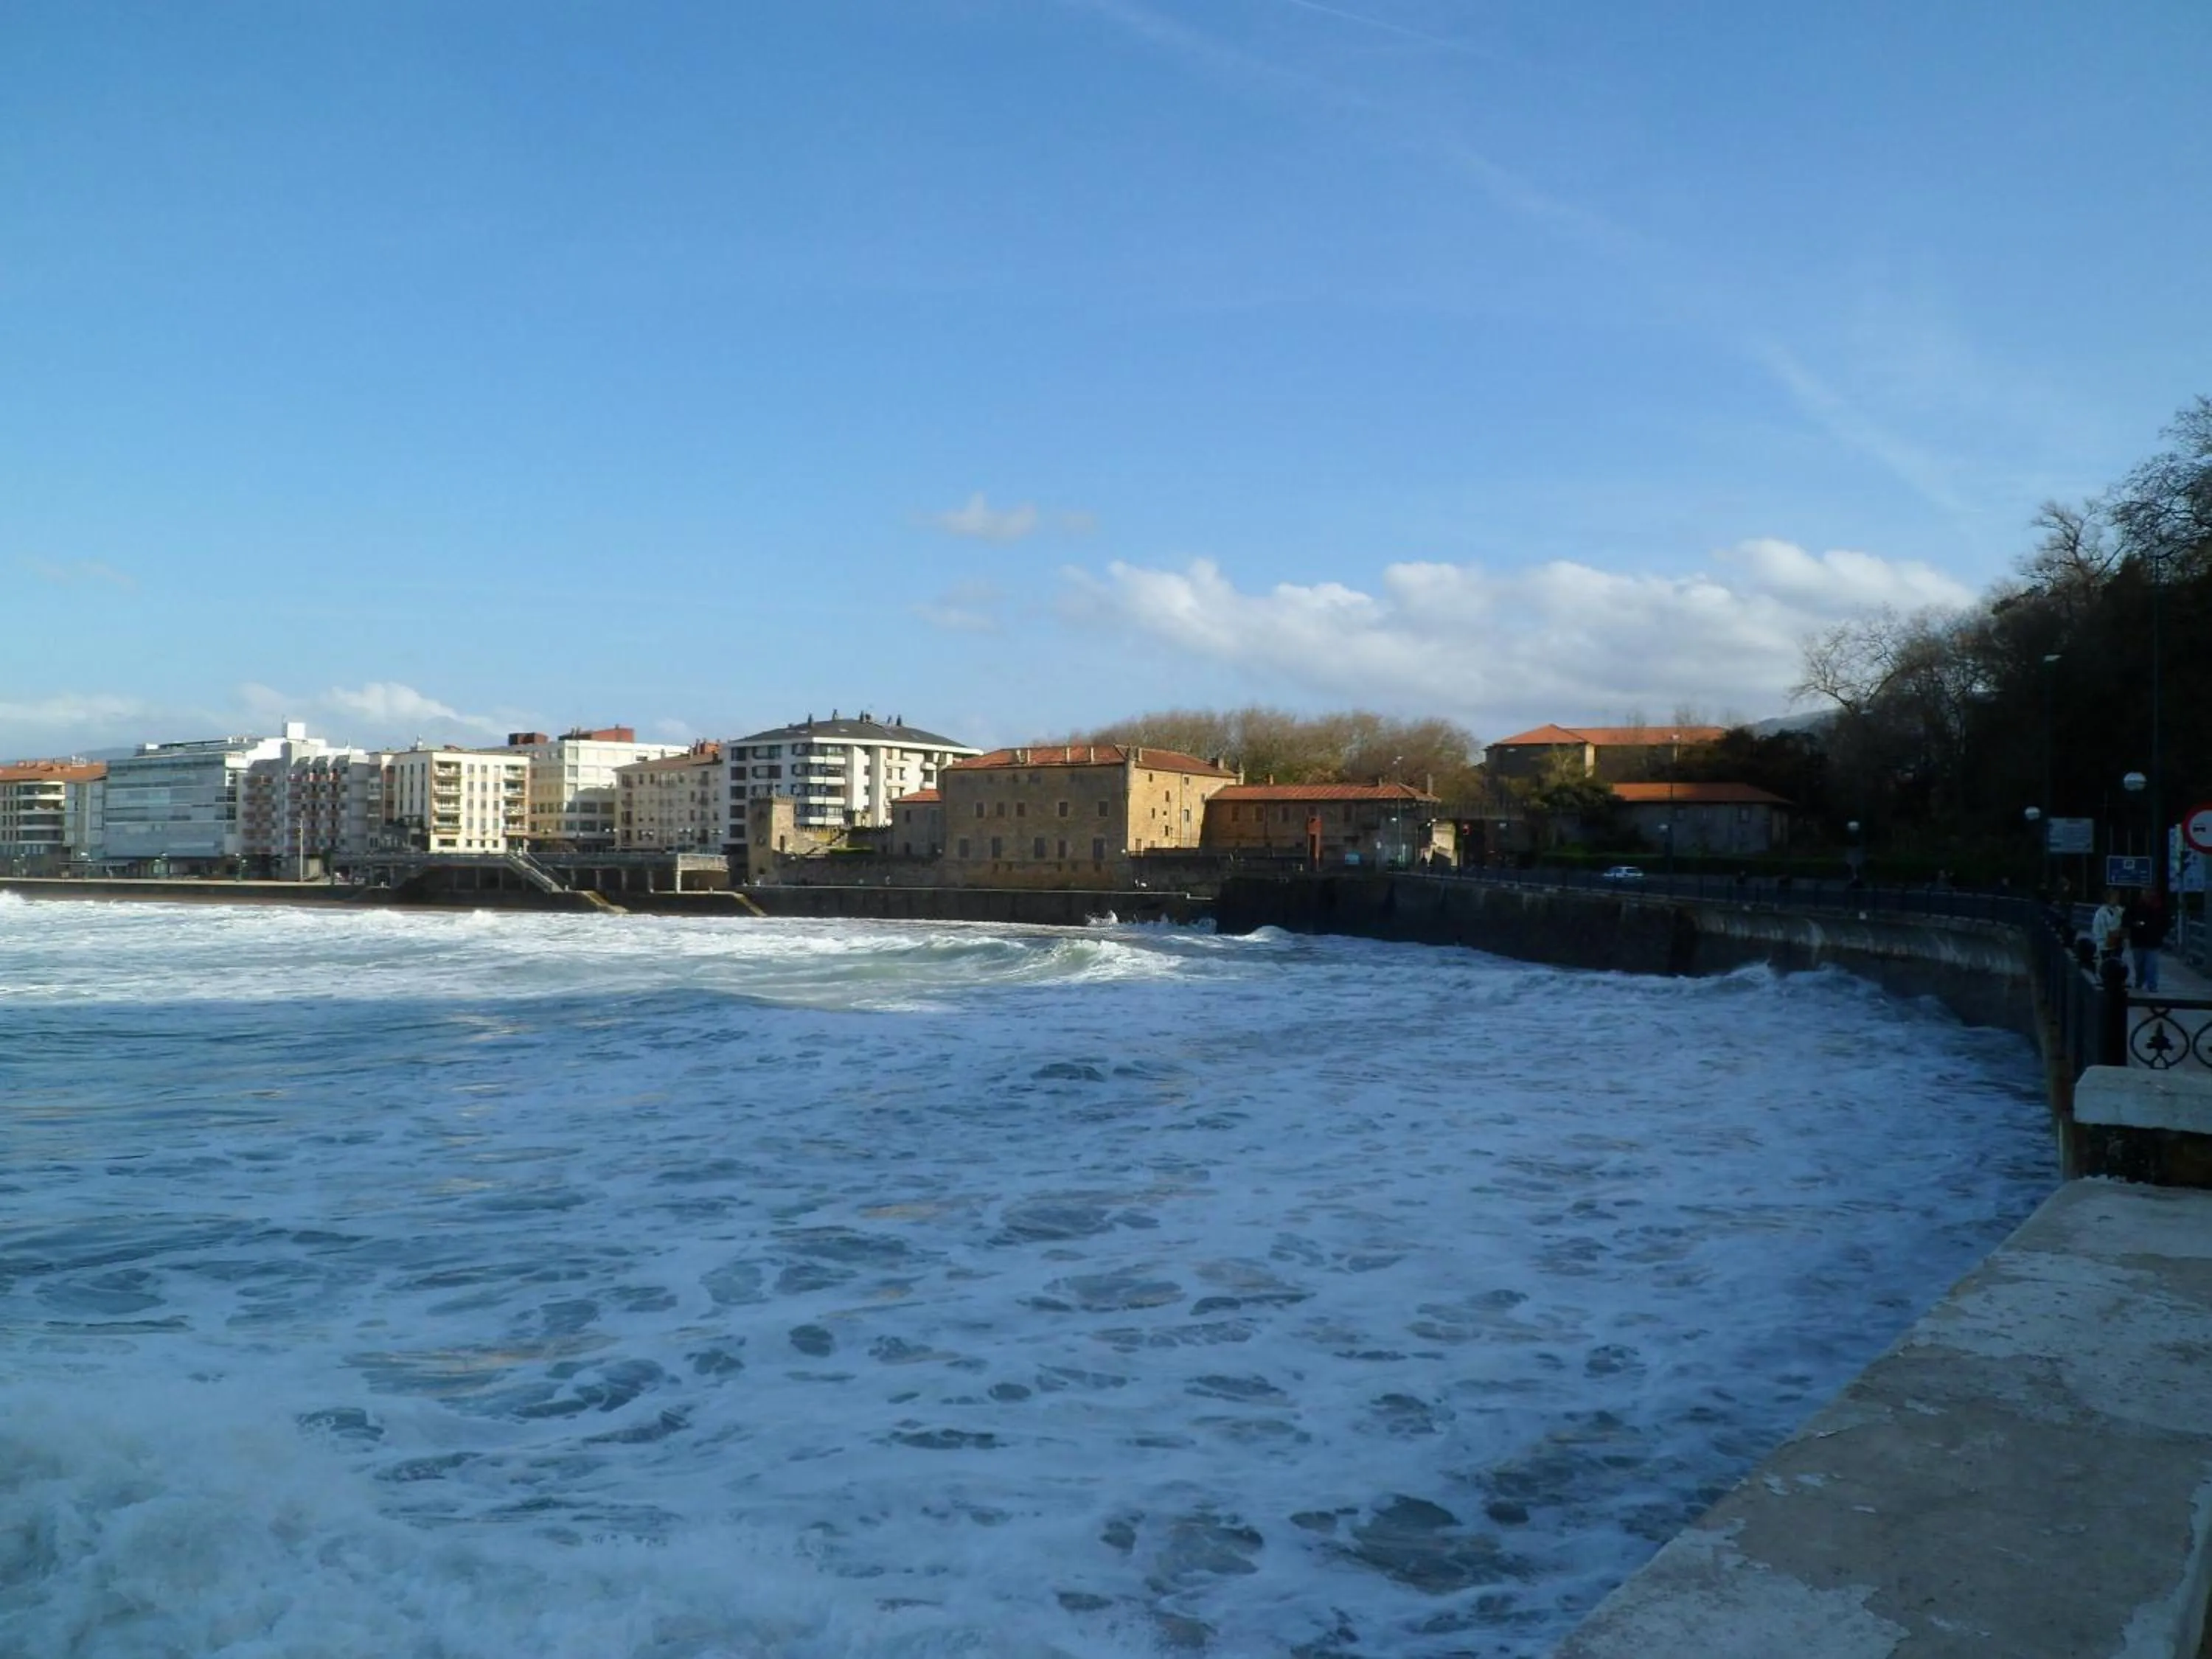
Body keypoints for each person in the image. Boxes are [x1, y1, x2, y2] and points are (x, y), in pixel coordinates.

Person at [2127, 888, 2168, 993]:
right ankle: (2139, 981)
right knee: (2139, 964)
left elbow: (2166, 922)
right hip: (2138, 940)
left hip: (2154, 941)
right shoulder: (2135, 906)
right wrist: (2134, 924)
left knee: (2151, 965)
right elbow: (2127, 919)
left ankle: (2152, 985)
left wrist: (2161, 932)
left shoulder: (2160, 907)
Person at [2091, 888, 2129, 981]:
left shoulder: (2120, 910)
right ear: (2108, 898)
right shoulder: (2101, 912)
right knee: (2106, 963)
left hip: (2118, 943)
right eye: (2114, 897)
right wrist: (2108, 937)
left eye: (2117, 897)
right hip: (2105, 943)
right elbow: (2098, 928)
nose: (2116, 899)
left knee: (2117, 962)